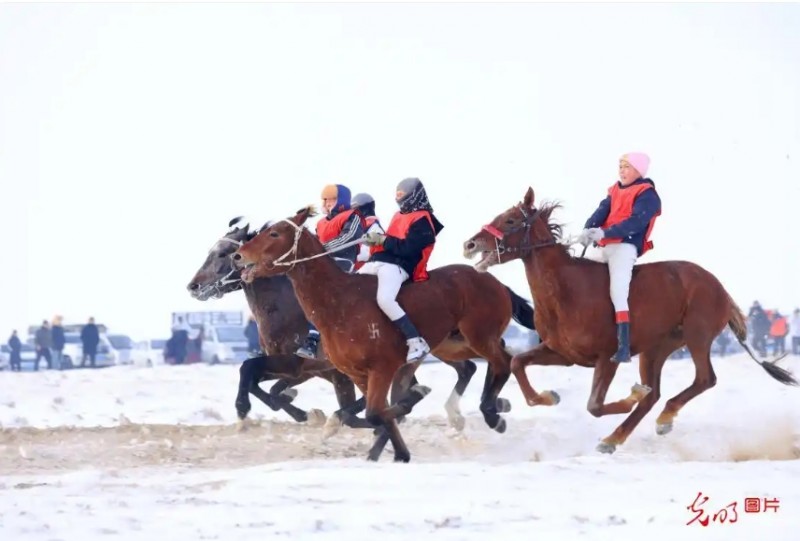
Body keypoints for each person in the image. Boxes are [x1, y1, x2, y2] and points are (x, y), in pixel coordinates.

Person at [578, 152, 661, 363]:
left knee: (618, 291)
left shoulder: (648, 194)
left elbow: (636, 223)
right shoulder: (613, 190)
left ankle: (623, 346)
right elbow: (600, 212)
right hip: (602, 245)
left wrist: (605, 233)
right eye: (620, 166)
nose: (622, 171)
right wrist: (588, 229)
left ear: (639, 171)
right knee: (579, 279)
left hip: (624, 247)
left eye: (627, 166)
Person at [359, 177, 444, 362]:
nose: (398, 198)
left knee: (385, 299)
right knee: (351, 288)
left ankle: (415, 341)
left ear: (413, 196)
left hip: (400, 266)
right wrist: (375, 241)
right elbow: (389, 241)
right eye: (397, 194)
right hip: (378, 261)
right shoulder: (398, 216)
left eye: (402, 194)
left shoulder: (423, 220)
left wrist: (383, 240)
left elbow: (408, 249)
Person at [295, 183, 366, 359]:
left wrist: (322, 249)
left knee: (323, 293)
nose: (327, 203)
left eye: (331, 199)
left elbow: (349, 236)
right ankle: (310, 336)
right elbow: (316, 241)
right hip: (321, 262)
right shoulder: (320, 222)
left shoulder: (353, 216)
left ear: (341, 200)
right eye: (325, 200)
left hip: (342, 261)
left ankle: (319, 337)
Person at [351, 192, 385, 271]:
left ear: (364, 209)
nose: (353, 213)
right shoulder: (360, 227)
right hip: (355, 267)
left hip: (364, 270)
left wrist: (350, 255)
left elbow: (367, 253)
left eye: (355, 209)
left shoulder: (375, 229)